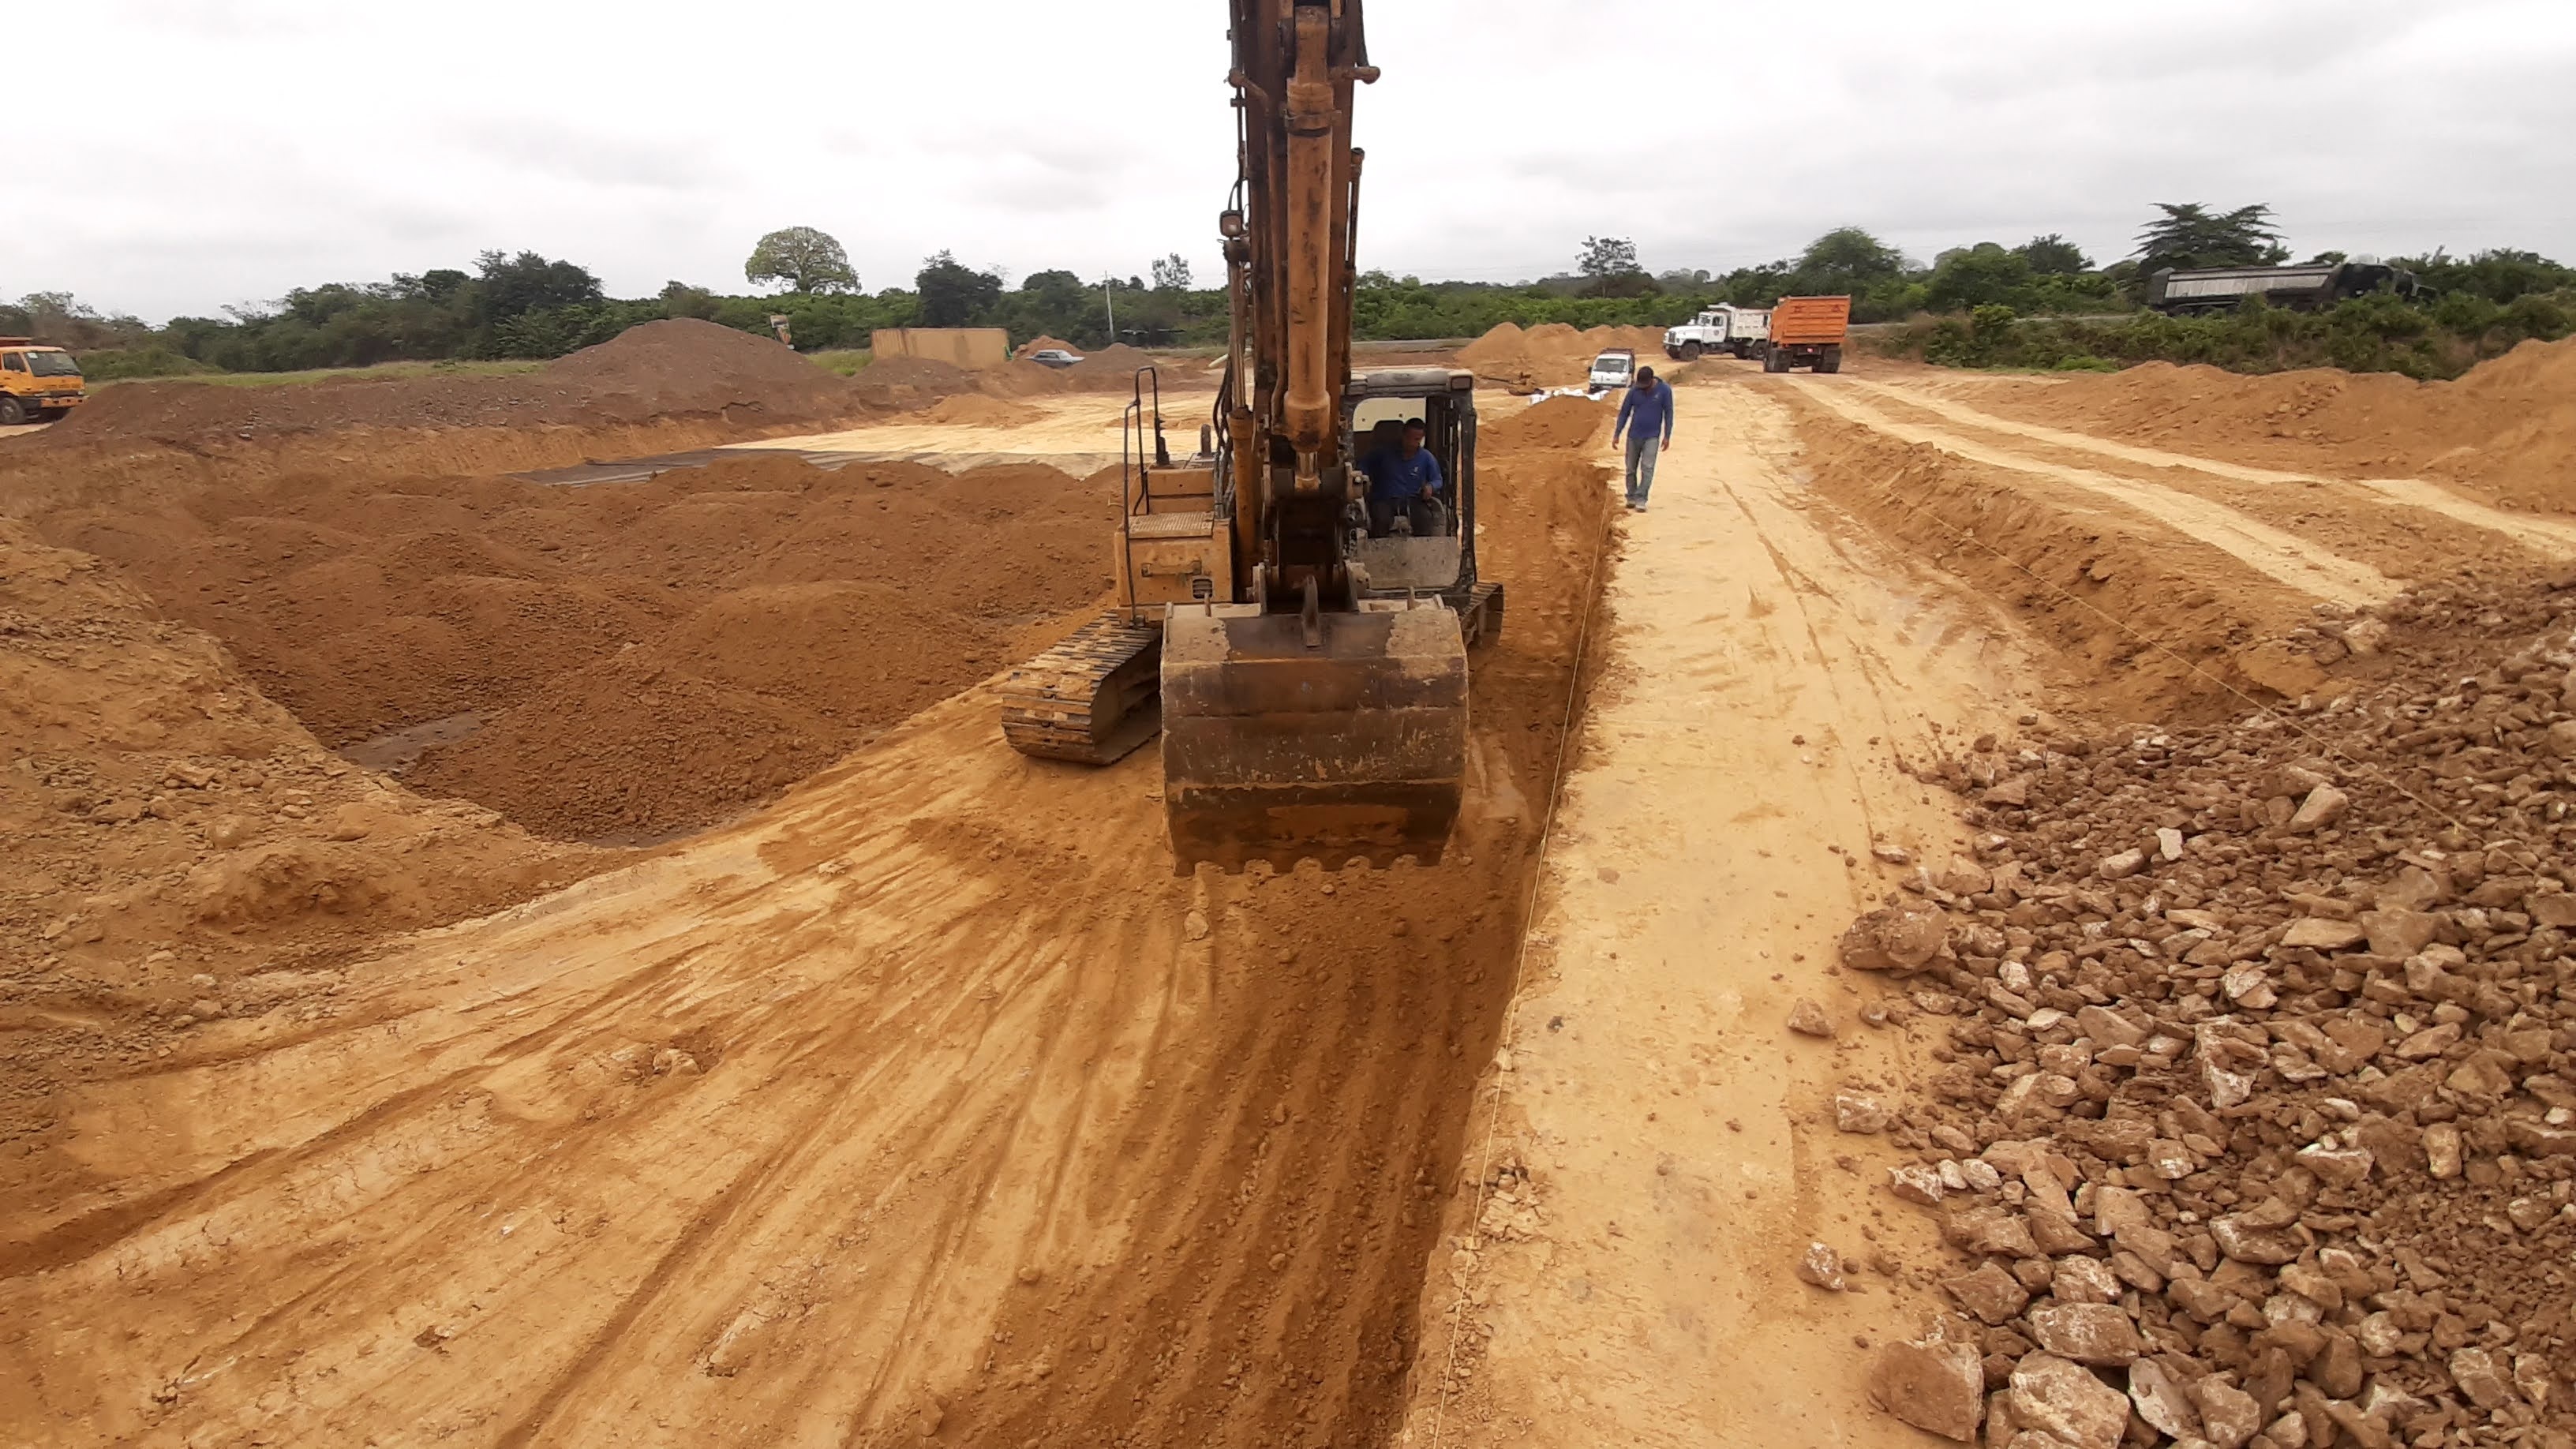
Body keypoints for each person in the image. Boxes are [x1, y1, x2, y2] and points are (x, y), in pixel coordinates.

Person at [1359, 417, 1447, 537]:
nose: (1412, 443)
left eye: (1416, 439)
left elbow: (1438, 479)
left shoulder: (1426, 457)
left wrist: (1431, 486)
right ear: (1403, 435)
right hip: (1384, 500)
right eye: (1409, 438)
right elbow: (1362, 466)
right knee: (1381, 519)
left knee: (1425, 518)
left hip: (1413, 499)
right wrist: (1364, 479)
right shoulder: (1382, 453)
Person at [1611, 365, 1676, 512]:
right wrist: (1617, 433)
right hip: (1634, 436)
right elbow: (1624, 413)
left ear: (1652, 380)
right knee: (1630, 469)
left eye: (1645, 386)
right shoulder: (1634, 391)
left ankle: (1641, 498)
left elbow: (1669, 413)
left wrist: (1667, 436)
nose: (1643, 389)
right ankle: (1631, 496)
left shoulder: (1664, 390)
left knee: (1647, 468)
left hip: (1652, 436)